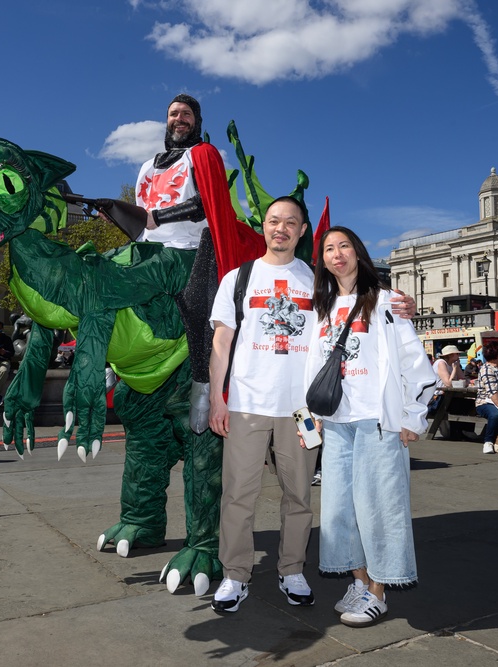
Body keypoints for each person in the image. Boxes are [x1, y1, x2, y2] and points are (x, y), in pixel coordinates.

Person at [302, 226, 435, 628]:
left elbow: (414, 362)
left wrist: (413, 417)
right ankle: (359, 582)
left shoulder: (386, 301)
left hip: (377, 421)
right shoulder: (321, 307)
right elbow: (309, 370)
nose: (337, 254)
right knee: (339, 510)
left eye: (344, 246)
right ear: (322, 259)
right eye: (328, 248)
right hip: (336, 424)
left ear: (358, 253)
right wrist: (307, 424)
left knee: (380, 507)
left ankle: (378, 591)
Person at [207, 196, 318, 613]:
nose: (281, 228)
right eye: (274, 221)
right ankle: (235, 575)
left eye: (291, 222)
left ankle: (292, 569)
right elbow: (221, 342)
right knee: (238, 494)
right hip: (247, 401)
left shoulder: (317, 281)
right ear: (264, 227)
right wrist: (219, 398)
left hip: (302, 409)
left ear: (302, 230)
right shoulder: (238, 279)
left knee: (299, 495)